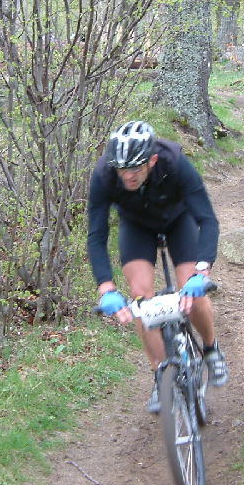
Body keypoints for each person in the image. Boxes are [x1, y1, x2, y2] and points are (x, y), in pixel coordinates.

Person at [87, 120, 229, 413]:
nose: (127, 176)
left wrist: (201, 271)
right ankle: (161, 374)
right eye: (122, 169)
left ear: (152, 160)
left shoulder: (174, 161)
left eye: (136, 169)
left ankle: (212, 349)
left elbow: (208, 219)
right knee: (141, 299)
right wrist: (105, 286)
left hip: (179, 221)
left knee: (193, 292)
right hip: (136, 226)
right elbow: (96, 235)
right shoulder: (103, 174)